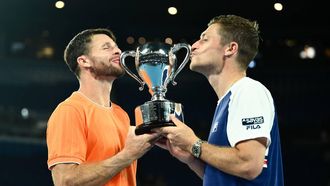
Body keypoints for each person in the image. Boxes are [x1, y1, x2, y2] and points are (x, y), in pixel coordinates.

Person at [156, 15, 284, 185]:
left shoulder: (248, 90)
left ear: (230, 49)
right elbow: (223, 178)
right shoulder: (227, 100)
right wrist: (191, 158)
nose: (193, 46)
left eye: (204, 39)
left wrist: (194, 143)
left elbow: (249, 165)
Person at [46, 28, 160, 186]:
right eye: (107, 47)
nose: (118, 51)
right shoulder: (70, 110)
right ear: (84, 61)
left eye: (116, 47)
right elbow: (65, 181)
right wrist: (127, 155)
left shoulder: (121, 114)